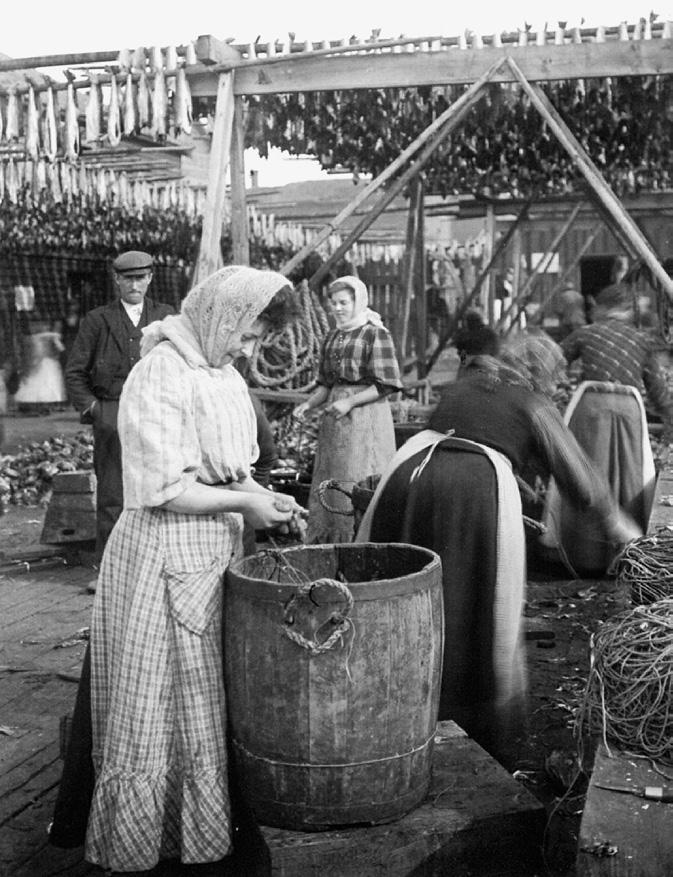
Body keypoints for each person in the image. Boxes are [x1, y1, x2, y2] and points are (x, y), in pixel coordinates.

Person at [51, 266, 305, 875]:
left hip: (212, 550)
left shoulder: (221, 374)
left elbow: (232, 467)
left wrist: (263, 500)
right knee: (160, 699)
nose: (248, 347)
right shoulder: (159, 373)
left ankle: (204, 835)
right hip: (162, 555)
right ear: (220, 314)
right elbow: (164, 490)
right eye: (247, 333)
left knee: (203, 698)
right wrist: (246, 501)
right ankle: (147, 842)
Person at [356, 353, 640, 764]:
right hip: (471, 491)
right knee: (469, 603)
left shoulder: (468, 384)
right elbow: (582, 482)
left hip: (406, 474)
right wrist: (621, 528)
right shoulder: (534, 404)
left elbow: (458, 438)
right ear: (546, 378)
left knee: (405, 594)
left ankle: (390, 713)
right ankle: (469, 727)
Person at [541, 290, 672, 573]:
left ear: (600, 309)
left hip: (591, 407)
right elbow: (658, 390)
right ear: (626, 310)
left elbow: (550, 360)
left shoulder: (586, 333)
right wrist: (670, 419)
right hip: (629, 411)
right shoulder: (640, 339)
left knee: (584, 475)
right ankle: (629, 554)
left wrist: (546, 392)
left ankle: (584, 557)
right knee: (631, 477)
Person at [65, 251, 175, 558]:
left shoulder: (166, 317)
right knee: (113, 491)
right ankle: (107, 567)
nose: (134, 285)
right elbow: (75, 372)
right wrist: (95, 410)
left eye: (140, 278)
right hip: (112, 409)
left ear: (150, 279)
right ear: (116, 280)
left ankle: (154, 561)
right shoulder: (97, 320)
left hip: (156, 410)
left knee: (162, 484)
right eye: (128, 278)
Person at [293, 275, 403, 543]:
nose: (338, 308)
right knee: (331, 476)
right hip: (335, 419)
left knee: (359, 476)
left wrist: (349, 402)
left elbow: (387, 384)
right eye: (334, 303)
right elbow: (326, 384)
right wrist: (308, 404)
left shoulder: (375, 333)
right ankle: (330, 539)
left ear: (358, 302)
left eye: (344, 302)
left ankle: (361, 539)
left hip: (366, 418)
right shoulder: (332, 337)